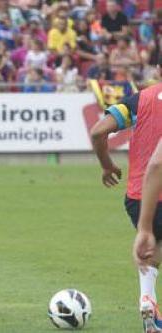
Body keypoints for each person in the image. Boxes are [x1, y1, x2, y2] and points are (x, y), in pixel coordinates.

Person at [91, 80, 162, 333]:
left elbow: (98, 132)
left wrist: (107, 165)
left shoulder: (138, 100)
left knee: (154, 244)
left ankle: (147, 299)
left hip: (138, 197)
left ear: (157, 70)